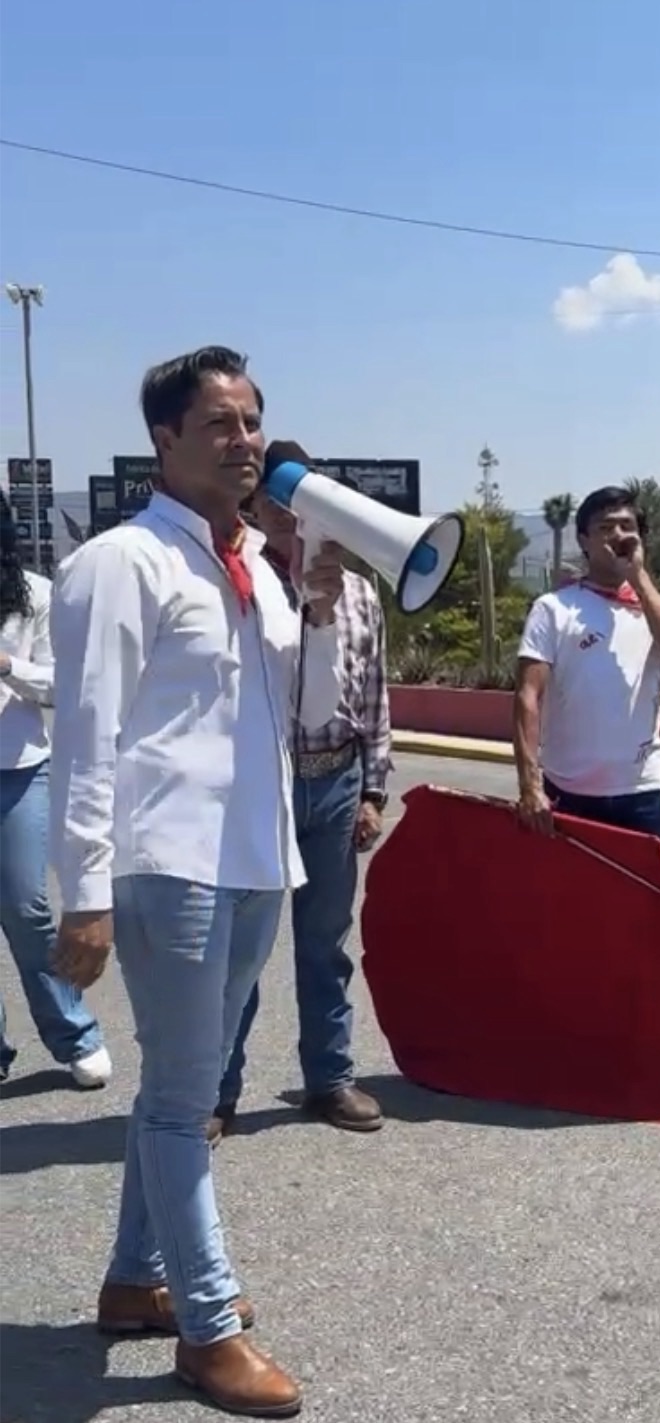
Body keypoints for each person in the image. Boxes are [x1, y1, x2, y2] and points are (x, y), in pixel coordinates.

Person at [49, 346, 345, 1417]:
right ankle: (207, 1329)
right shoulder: (120, 563)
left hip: (256, 859)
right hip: (167, 863)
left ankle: (136, 1280)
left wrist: (301, 591)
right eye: (220, 422)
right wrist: (82, 892)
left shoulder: (249, 564)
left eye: (253, 419)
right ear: (164, 439)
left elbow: (261, 707)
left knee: (181, 1088)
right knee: (188, 1105)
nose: (246, 439)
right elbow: (87, 737)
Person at [214, 446, 392, 1142]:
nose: (294, 525)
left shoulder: (363, 593)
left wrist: (374, 787)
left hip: (338, 777)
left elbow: (374, 694)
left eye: (307, 512)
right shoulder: (242, 585)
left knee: (325, 944)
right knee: (243, 951)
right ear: (255, 514)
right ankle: (216, 1090)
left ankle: (329, 1078)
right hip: (264, 779)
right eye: (278, 512)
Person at [1, 489, 110, 1088]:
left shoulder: (36, 594)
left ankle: (75, 1033)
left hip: (17, 768)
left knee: (26, 907)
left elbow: (63, 686)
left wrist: (8, 667)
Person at [513, 486, 660, 840]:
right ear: (584, 540)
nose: (618, 536)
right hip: (569, 788)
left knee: (644, 896)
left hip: (643, 790)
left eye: (627, 526)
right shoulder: (553, 608)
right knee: (571, 896)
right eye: (605, 528)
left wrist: (637, 578)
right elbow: (527, 697)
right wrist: (530, 786)